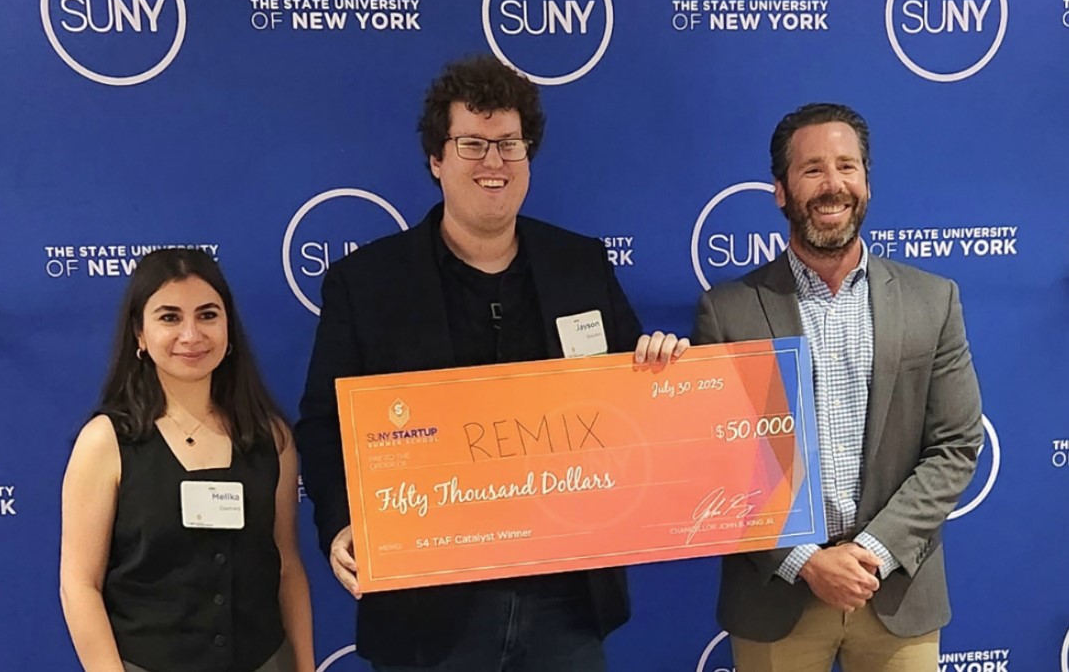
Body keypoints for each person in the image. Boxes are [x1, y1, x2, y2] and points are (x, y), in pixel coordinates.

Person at [295, 54, 685, 671]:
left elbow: (629, 405)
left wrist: (662, 373)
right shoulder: (366, 283)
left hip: (566, 600)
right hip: (428, 603)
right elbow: (323, 423)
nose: (494, 162)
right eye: (472, 144)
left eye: (509, 144)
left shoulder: (580, 265)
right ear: (436, 159)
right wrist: (342, 522)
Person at [691, 103, 983, 671]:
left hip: (895, 590)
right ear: (781, 191)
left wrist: (871, 553)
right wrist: (804, 560)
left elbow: (955, 446)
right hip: (777, 596)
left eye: (847, 166)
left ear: (866, 182)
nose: (833, 184)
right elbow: (720, 463)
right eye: (813, 169)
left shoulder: (933, 301)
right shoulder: (726, 313)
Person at [60, 248, 315, 672]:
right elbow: (79, 585)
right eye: (170, 317)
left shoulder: (272, 438)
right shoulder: (105, 442)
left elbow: (286, 566)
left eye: (208, 315)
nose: (191, 335)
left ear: (229, 328)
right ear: (139, 334)